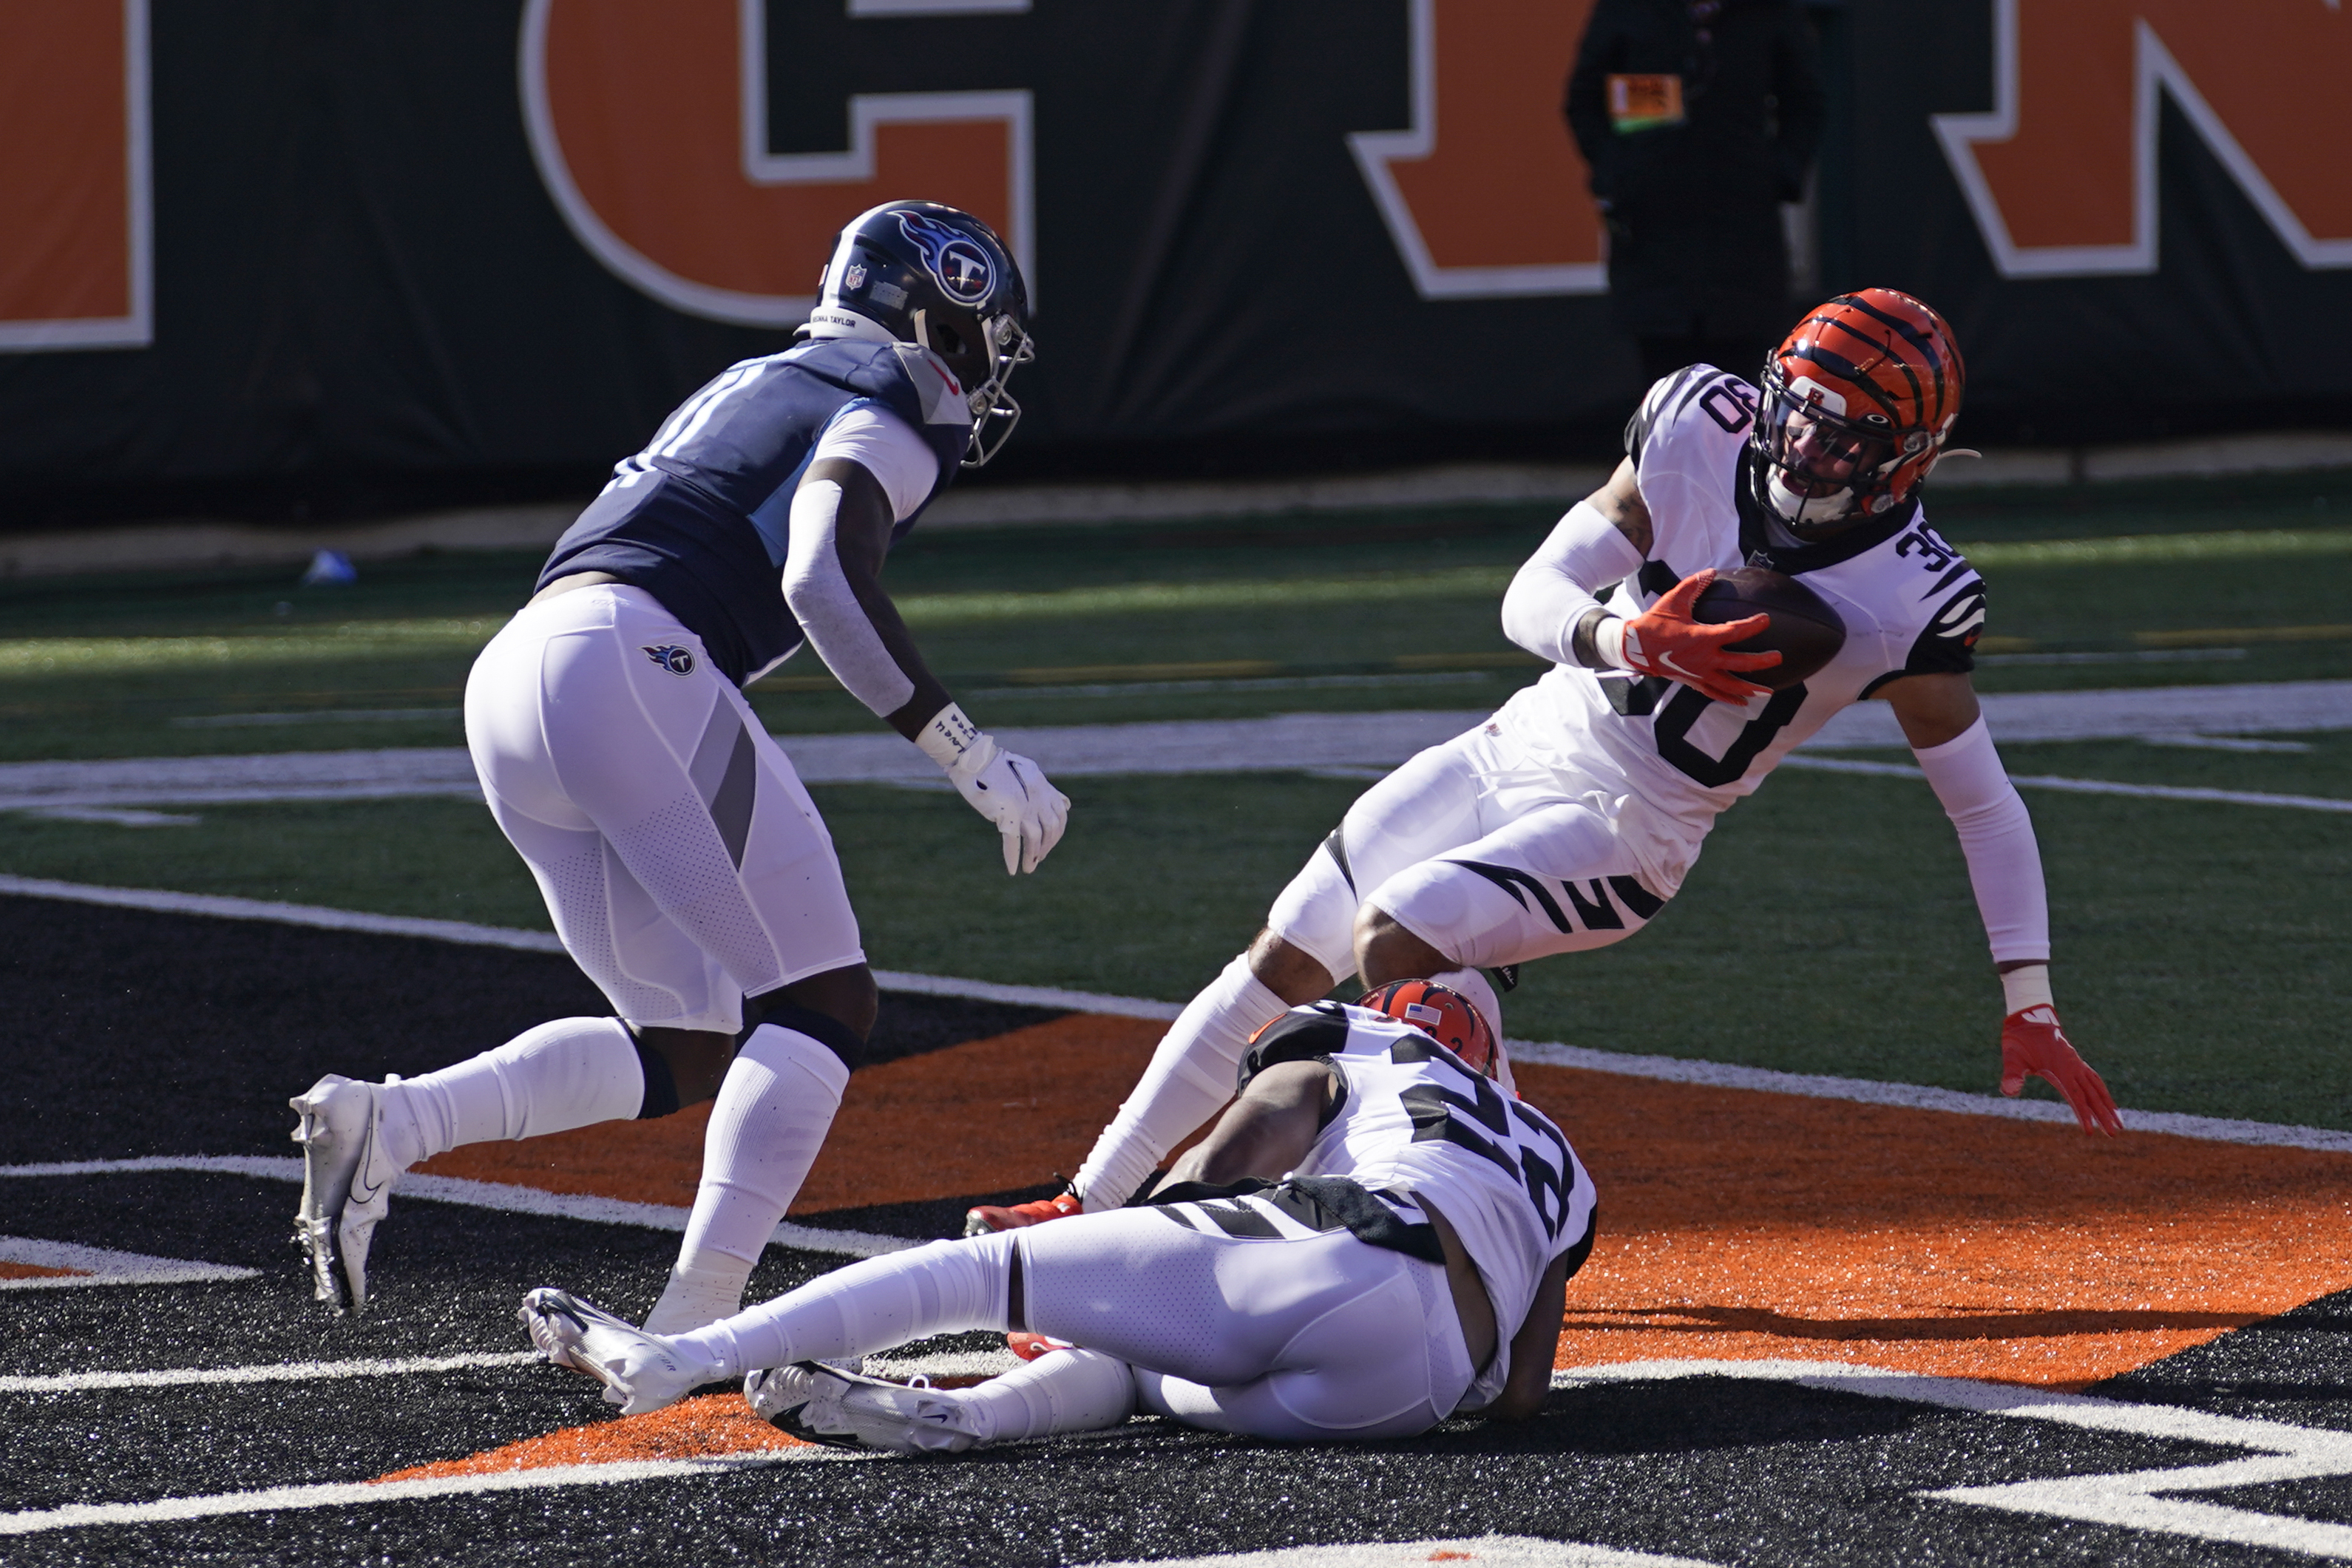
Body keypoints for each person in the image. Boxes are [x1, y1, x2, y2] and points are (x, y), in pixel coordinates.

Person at [967, 287, 2121, 1243]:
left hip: (1634, 824)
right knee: (1286, 947)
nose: (1812, 444)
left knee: (1403, 929)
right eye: (1803, 411)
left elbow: (1982, 805)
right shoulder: (1695, 423)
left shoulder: (1909, 598)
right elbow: (1529, 594)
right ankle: (1088, 1199)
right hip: (1525, 732)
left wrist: (2031, 998)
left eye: (1849, 432)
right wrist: (1631, 638)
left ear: (1910, 458)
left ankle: (1496, 1199)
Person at [288, 201, 1071, 1327]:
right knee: (822, 999)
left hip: (515, 671)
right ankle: (691, 1326)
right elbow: (821, 577)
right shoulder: (890, 395)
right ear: (942, 311)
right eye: (989, 329)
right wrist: (966, 751)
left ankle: (393, 1121)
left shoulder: (774, 374)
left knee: (687, 1039)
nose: (993, 364)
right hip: (626, 662)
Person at [519, 982, 1599, 1452]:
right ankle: (967, 1418)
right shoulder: (1554, 1152)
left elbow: (1241, 1146)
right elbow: (1521, 1395)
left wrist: (1137, 1240)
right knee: (1131, 1361)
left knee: (980, 1273)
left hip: (1358, 1244)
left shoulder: (1362, 1045)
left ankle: (681, 1357)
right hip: (1402, 1392)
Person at [1565, 0, 1825, 385]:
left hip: (1743, 234)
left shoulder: (1769, 12)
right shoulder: (1627, 11)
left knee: (1745, 376)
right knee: (1665, 379)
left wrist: (1778, 174)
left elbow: (1806, 101)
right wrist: (1619, 173)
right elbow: (1584, 100)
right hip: (1654, 236)